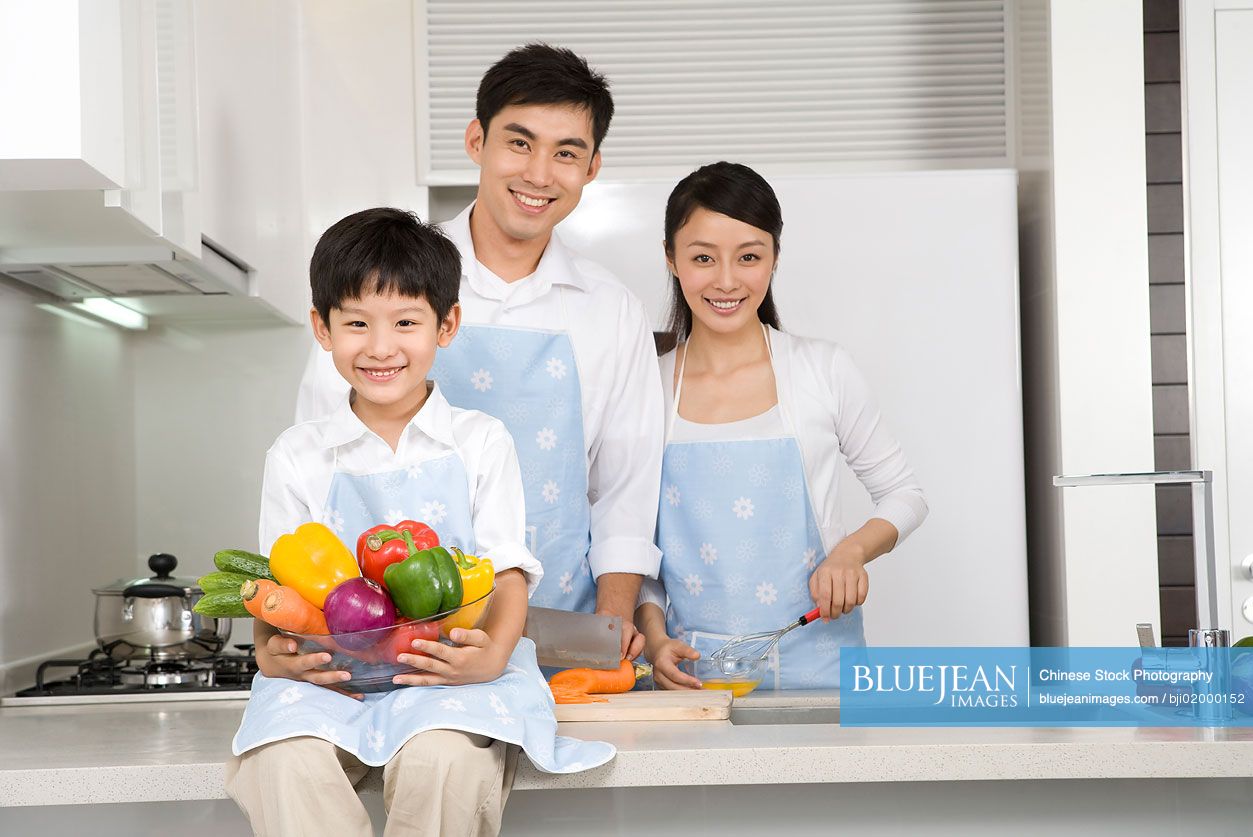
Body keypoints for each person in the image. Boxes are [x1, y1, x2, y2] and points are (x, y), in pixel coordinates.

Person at [225, 208, 613, 837]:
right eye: (356, 324)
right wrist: (273, 658)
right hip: (333, 680)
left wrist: (492, 659)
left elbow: (508, 571)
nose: (380, 348)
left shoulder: (481, 441)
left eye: (405, 322)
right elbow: (277, 594)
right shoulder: (296, 454)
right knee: (285, 763)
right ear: (323, 329)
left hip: (446, 673)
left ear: (447, 324)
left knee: (444, 761)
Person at [296, 44, 662, 661]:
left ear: (592, 167)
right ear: (476, 141)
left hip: (561, 628)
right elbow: (318, 460)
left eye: (566, 153)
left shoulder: (611, 308)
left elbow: (626, 488)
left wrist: (608, 627)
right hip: (391, 639)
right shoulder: (389, 278)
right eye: (519, 143)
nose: (540, 174)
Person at [635, 162, 929, 691]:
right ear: (671, 259)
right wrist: (656, 642)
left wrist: (852, 551)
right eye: (703, 258)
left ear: (773, 257)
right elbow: (637, 550)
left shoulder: (823, 369)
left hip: (821, 669)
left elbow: (905, 495)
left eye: (749, 257)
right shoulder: (645, 389)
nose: (726, 281)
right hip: (694, 674)